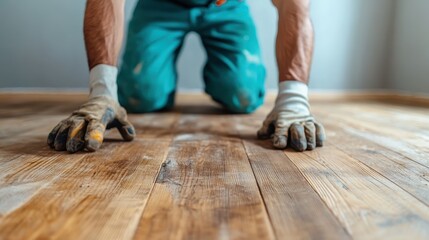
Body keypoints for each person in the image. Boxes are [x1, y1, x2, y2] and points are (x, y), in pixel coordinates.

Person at [47, 0, 325, 153]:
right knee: (141, 95)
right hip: (160, 5)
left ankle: (225, 82)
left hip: (226, 7)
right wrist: (102, 92)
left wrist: (294, 100)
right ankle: (157, 85)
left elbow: (296, 4)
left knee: (243, 94)